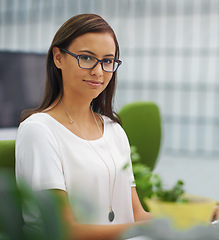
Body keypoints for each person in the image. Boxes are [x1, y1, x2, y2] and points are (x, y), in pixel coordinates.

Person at [16, 13, 151, 240]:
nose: (98, 71)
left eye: (107, 61)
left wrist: (193, 219)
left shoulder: (114, 130)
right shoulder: (39, 130)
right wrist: (147, 230)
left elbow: (136, 214)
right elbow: (63, 230)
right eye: (87, 58)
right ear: (58, 58)